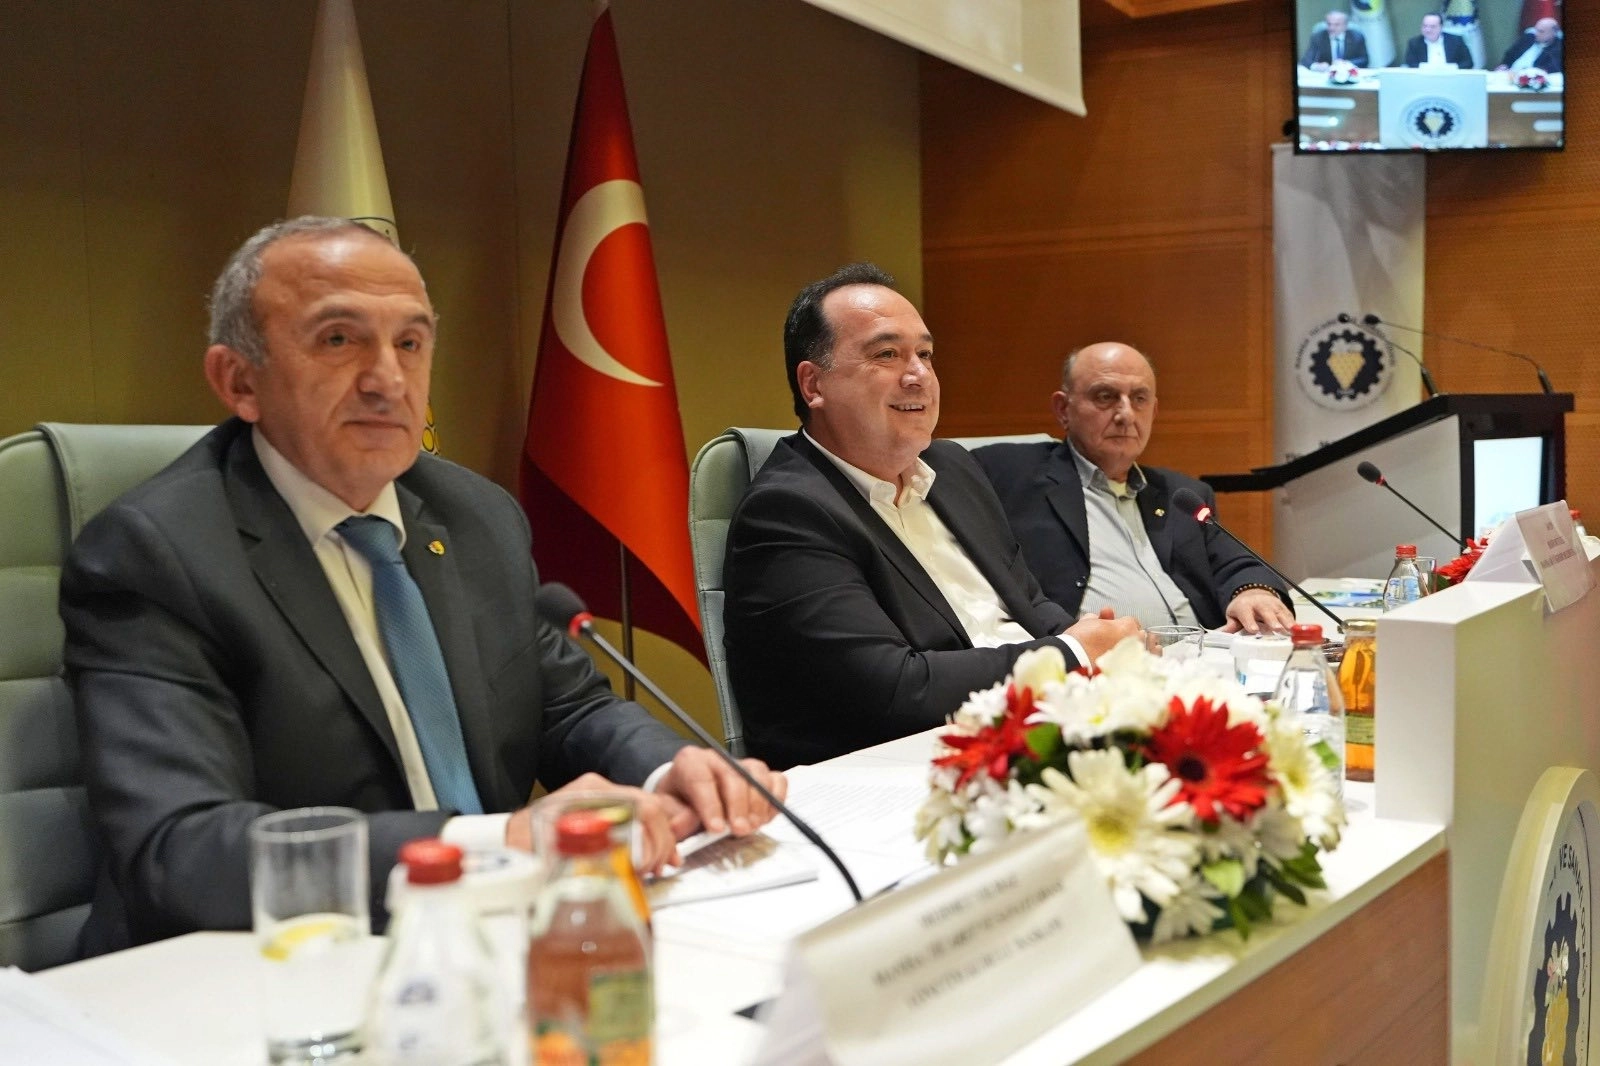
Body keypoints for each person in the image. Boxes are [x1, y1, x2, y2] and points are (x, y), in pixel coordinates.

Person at [60, 217, 784, 949]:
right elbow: (180, 847)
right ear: (239, 381)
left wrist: (666, 771)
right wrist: (492, 843)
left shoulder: (476, 517)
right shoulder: (155, 554)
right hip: (269, 961)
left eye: (410, 343)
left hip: (486, 938)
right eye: (338, 339)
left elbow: (568, 710)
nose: (387, 379)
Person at [721, 264, 1140, 769]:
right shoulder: (787, 513)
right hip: (896, 771)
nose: (918, 375)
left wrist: (1102, 644)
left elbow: (1028, 604)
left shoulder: (952, 467)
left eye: (924, 354)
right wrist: (1070, 654)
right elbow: (895, 691)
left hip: (1031, 731)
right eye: (887, 354)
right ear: (814, 385)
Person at [971, 343, 1294, 635]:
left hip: (1203, 657)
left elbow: (1235, 562)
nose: (1126, 414)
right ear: (1063, 409)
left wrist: (1253, 590)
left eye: (1139, 398)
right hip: (1095, 667)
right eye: (1105, 396)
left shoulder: (1180, 493)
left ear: (1153, 411)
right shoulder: (1011, 474)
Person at [1301, 11, 1370, 70]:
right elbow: (1306, 60)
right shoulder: (1319, 37)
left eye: (1336, 24)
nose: (1332, 28)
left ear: (1345, 26)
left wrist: (1347, 64)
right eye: (1329, 24)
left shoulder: (1356, 37)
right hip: (1326, 75)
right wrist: (1316, 66)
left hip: (1349, 75)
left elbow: (1364, 60)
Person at [1403, 13, 1475, 68]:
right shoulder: (1414, 43)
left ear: (1441, 27)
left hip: (1451, 79)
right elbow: (1411, 64)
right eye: (1425, 26)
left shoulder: (1456, 41)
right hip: (1425, 80)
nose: (1428, 30)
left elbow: (1468, 63)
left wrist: (1451, 69)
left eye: (1432, 26)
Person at [1496, 18, 1563, 73]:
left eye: (1541, 31)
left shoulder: (1558, 47)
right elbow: (1510, 53)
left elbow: (1552, 68)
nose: (1536, 33)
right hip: (1509, 73)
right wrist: (1504, 65)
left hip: (1531, 79)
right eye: (1536, 30)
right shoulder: (1528, 38)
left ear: (1553, 33)